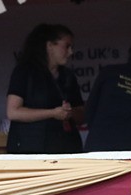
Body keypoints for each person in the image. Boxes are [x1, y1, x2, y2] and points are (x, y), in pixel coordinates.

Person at [5, 23, 84, 153]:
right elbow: (13, 112)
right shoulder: (25, 72)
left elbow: (81, 115)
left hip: (66, 148)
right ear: (50, 46)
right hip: (31, 149)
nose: (71, 52)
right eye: (67, 46)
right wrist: (53, 113)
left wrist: (70, 112)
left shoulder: (68, 76)